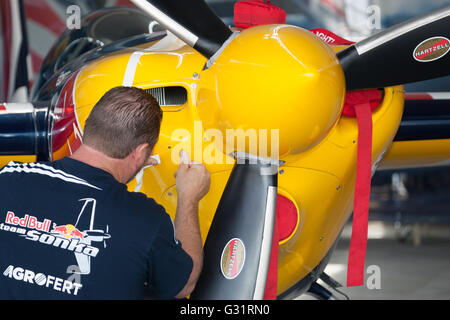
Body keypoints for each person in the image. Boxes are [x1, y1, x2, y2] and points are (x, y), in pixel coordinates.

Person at [0, 86, 210, 299]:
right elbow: (184, 284)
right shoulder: (146, 219)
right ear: (139, 152)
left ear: (87, 127)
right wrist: (189, 197)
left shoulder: (10, 175)